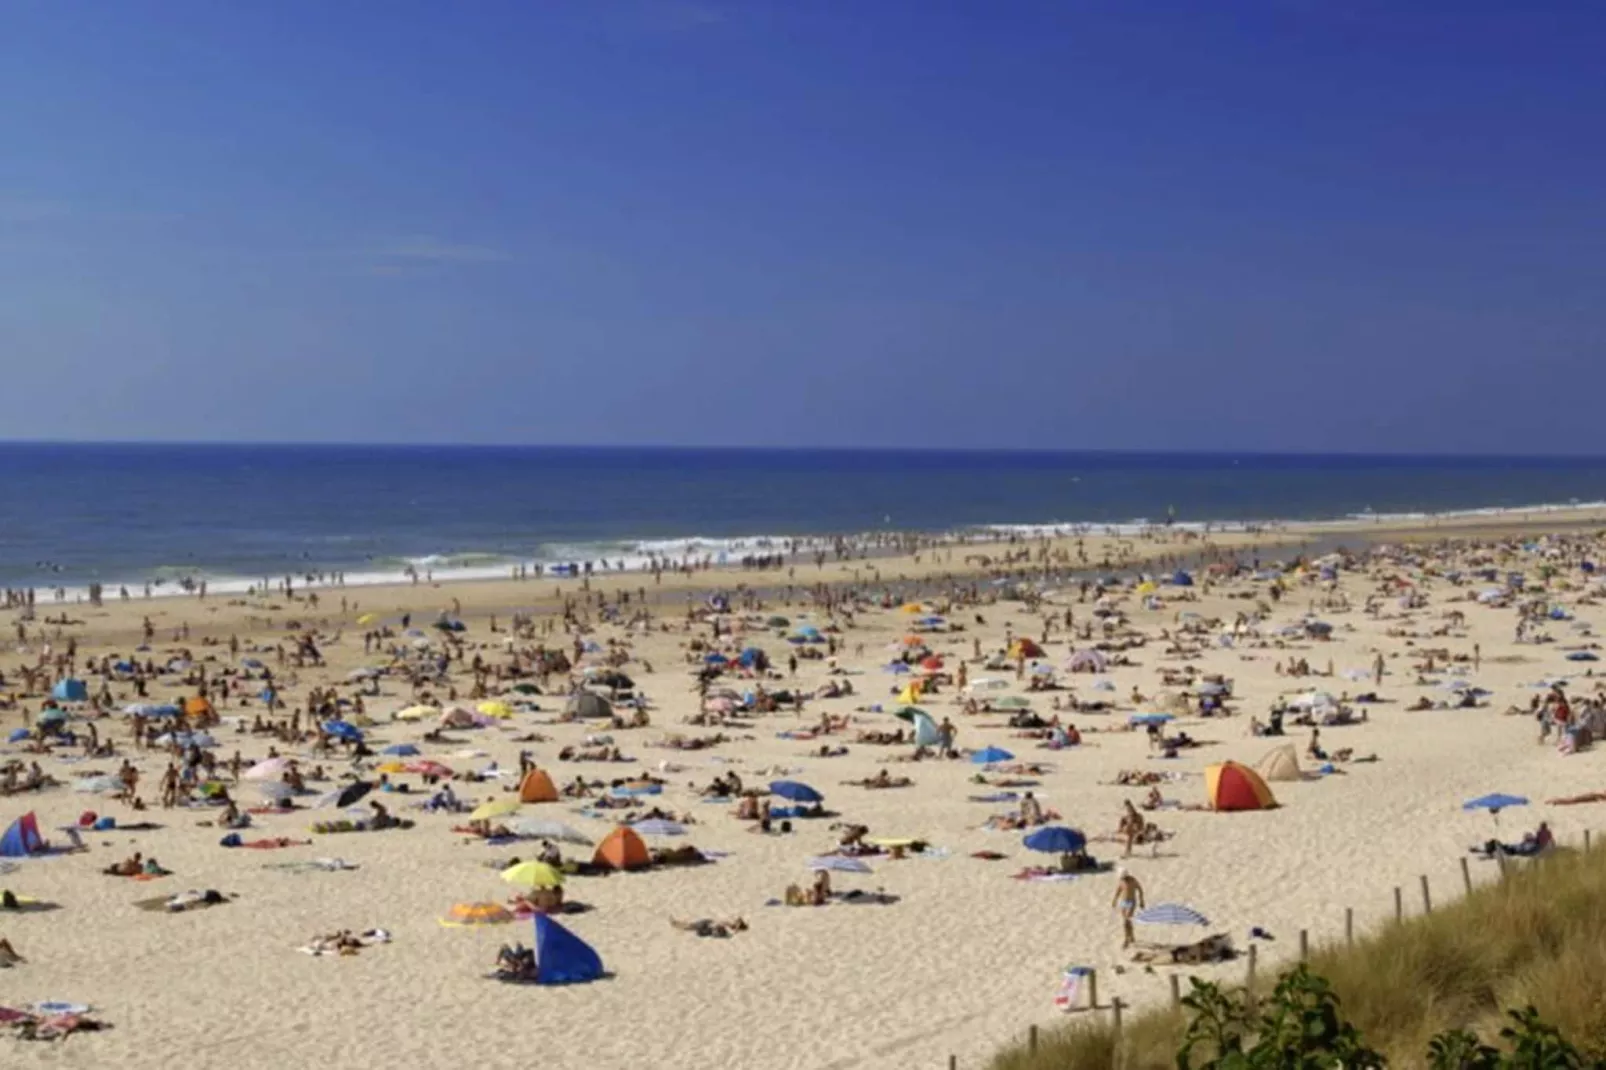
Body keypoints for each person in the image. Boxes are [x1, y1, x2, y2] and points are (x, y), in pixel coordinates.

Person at [1112, 867, 1145, 949]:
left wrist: (1141, 900)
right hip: (1123, 903)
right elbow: (1118, 891)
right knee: (1127, 922)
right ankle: (1131, 936)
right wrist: (1114, 900)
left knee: (1126, 921)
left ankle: (1126, 939)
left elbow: (1140, 889)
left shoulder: (1133, 880)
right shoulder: (1121, 882)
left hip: (1131, 902)